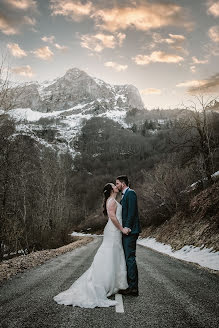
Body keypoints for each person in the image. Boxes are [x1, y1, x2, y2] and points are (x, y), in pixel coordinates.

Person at [53, 183, 128, 308]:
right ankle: (102, 284)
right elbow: (113, 217)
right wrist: (122, 229)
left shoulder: (113, 200)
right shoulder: (111, 201)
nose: (116, 186)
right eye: (114, 186)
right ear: (111, 190)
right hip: (113, 230)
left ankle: (113, 283)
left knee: (114, 254)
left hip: (114, 231)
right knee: (109, 255)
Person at [116, 175, 141, 296]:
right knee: (128, 258)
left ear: (123, 183)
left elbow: (132, 212)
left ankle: (133, 288)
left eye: (117, 184)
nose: (116, 186)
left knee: (130, 258)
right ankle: (131, 286)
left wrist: (127, 227)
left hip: (130, 231)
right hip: (127, 231)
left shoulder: (131, 193)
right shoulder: (125, 196)